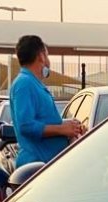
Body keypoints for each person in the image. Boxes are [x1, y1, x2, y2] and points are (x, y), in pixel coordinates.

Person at [8, 35, 84, 167]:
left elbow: (43, 120)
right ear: (41, 56)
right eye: (47, 56)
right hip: (37, 166)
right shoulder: (24, 84)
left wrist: (69, 125)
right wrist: (61, 129)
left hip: (49, 165)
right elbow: (25, 126)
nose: (48, 61)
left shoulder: (33, 83)